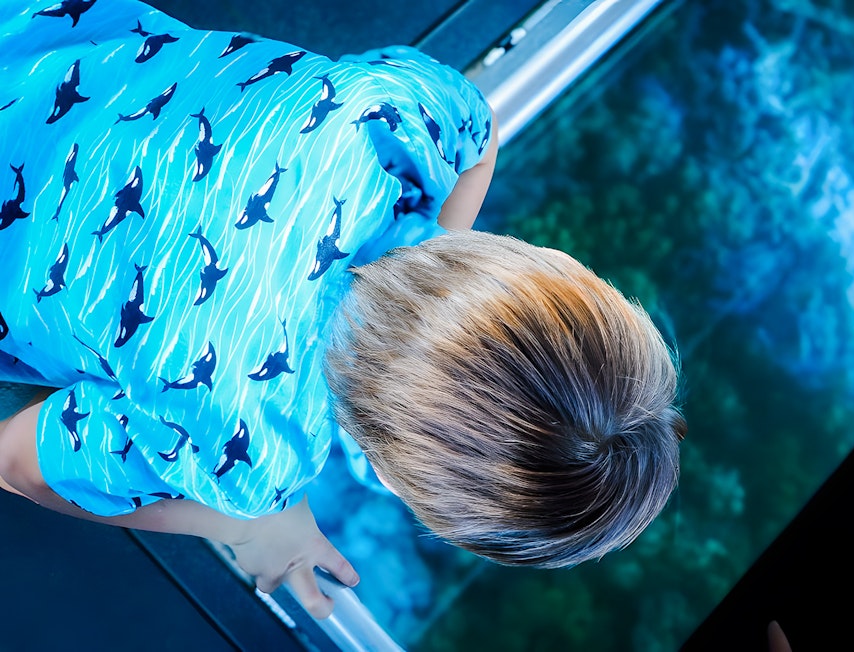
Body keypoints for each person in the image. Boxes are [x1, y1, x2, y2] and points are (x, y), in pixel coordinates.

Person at [0, 0, 686, 620]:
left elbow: (481, 134)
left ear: (542, 261)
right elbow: (17, 462)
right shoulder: (243, 455)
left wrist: (446, 271)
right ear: (390, 478)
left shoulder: (386, 122)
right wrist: (249, 524)